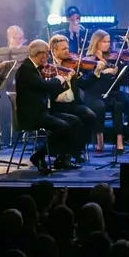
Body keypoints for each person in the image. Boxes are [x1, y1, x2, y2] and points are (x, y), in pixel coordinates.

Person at [14, 39, 83, 173]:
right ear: (39, 54)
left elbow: (48, 90)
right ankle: (38, 155)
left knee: (74, 121)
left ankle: (62, 158)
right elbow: (45, 86)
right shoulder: (26, 69)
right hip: (31, 115)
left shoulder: (34, 68)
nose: (47, 57)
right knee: (63, 127)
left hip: (42, 111)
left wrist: (65, 82)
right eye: (46, 53)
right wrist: (59, 79)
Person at [81, 29, 129, 153]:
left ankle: (119, 139)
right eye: (104, 42)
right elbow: (86, 82)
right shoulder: (89, 60)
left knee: (119, 103)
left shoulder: (113, 58)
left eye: (108, 41)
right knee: (100, 106)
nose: (107, 44)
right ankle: (99, 138)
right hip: (94, 94)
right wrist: (100, 72)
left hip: (111, 93)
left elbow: (124, 77)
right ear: (96, 42)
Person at [48, 34, 97, 164]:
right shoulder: (48, 67)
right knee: (73, 121)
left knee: (90, 115)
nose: (67, 51)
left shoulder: (71, 65)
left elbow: (84, 85)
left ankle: (77, 150)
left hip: (72, 103)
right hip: (55, 105)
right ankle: (63, 154)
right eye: (63, 49)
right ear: (54, 50)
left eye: (67, 48)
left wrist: (96, 73)